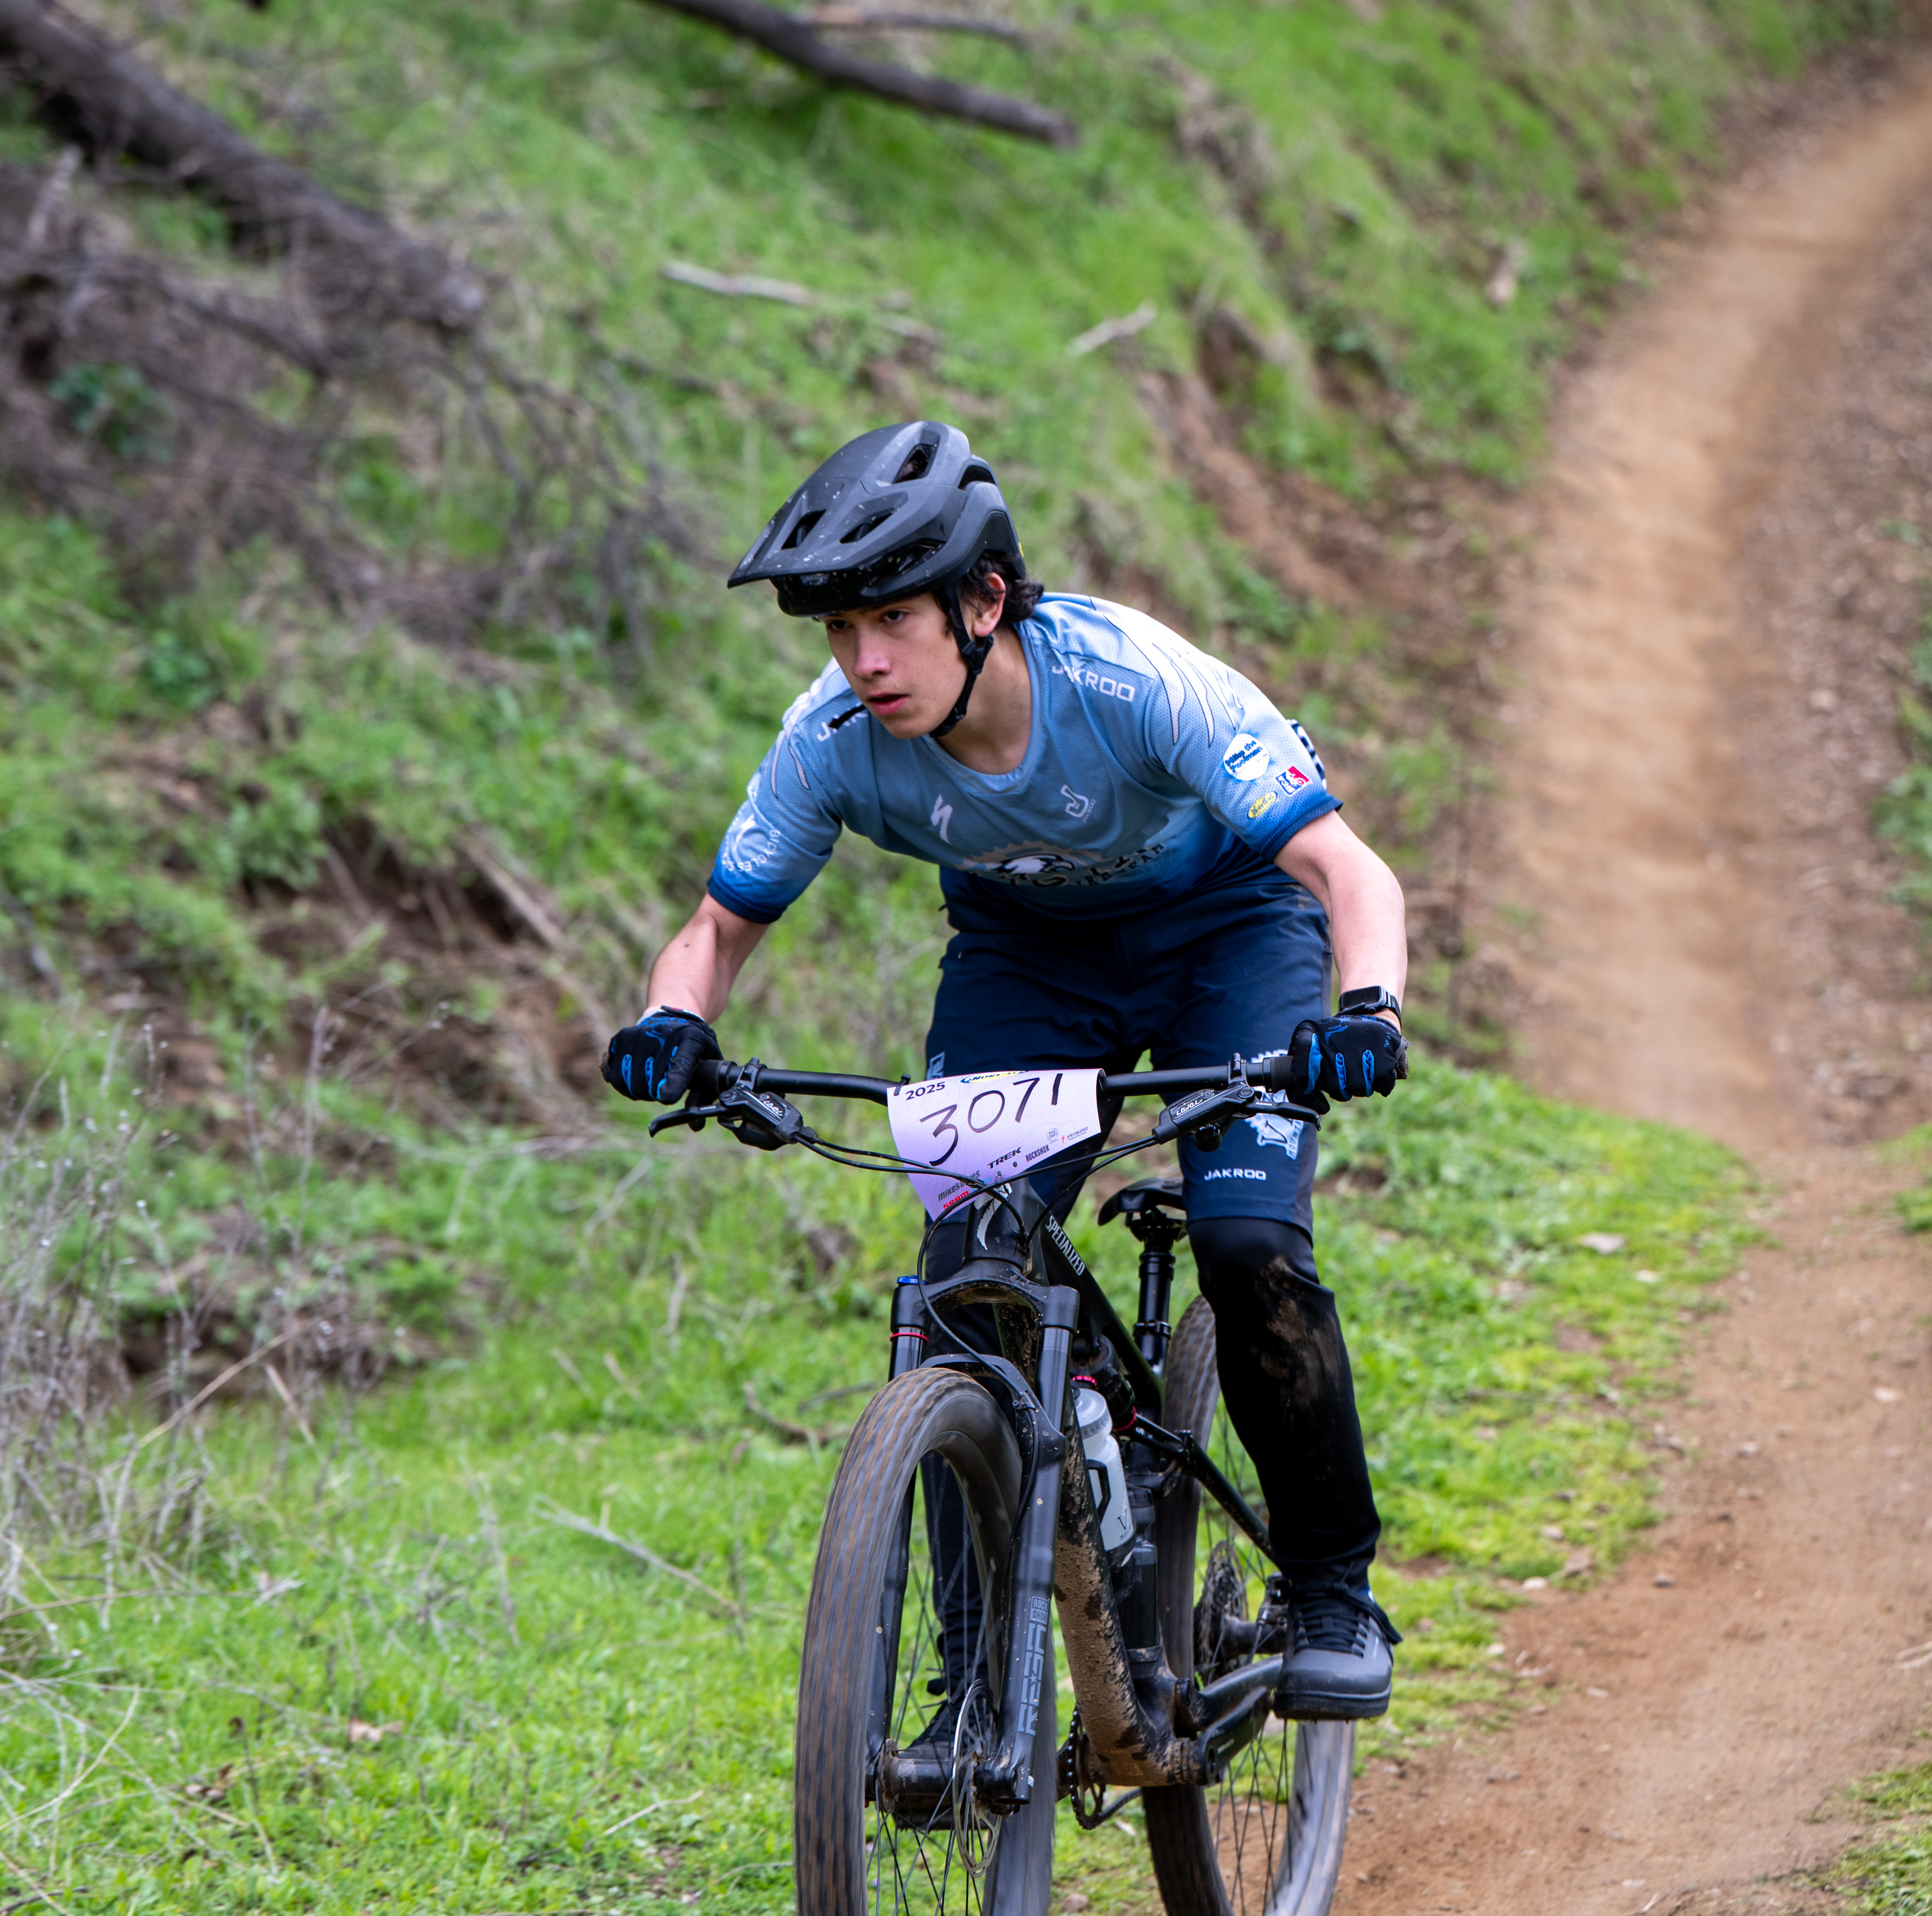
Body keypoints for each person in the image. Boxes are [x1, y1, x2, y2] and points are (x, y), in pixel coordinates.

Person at [602, 422, 1409, 1719]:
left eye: (893, 620)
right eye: (840, 628)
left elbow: (1344, 869)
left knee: (1248, 1239)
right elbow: (716, 930)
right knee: (965, 1276)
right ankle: (980, 1675)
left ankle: (1329, 1587)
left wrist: (1365, 1008)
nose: (865, 660)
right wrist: (671, 1021)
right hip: (1030, 958)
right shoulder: (833, 739)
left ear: (983, 603)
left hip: (1228, 928)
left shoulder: (1133, 682)